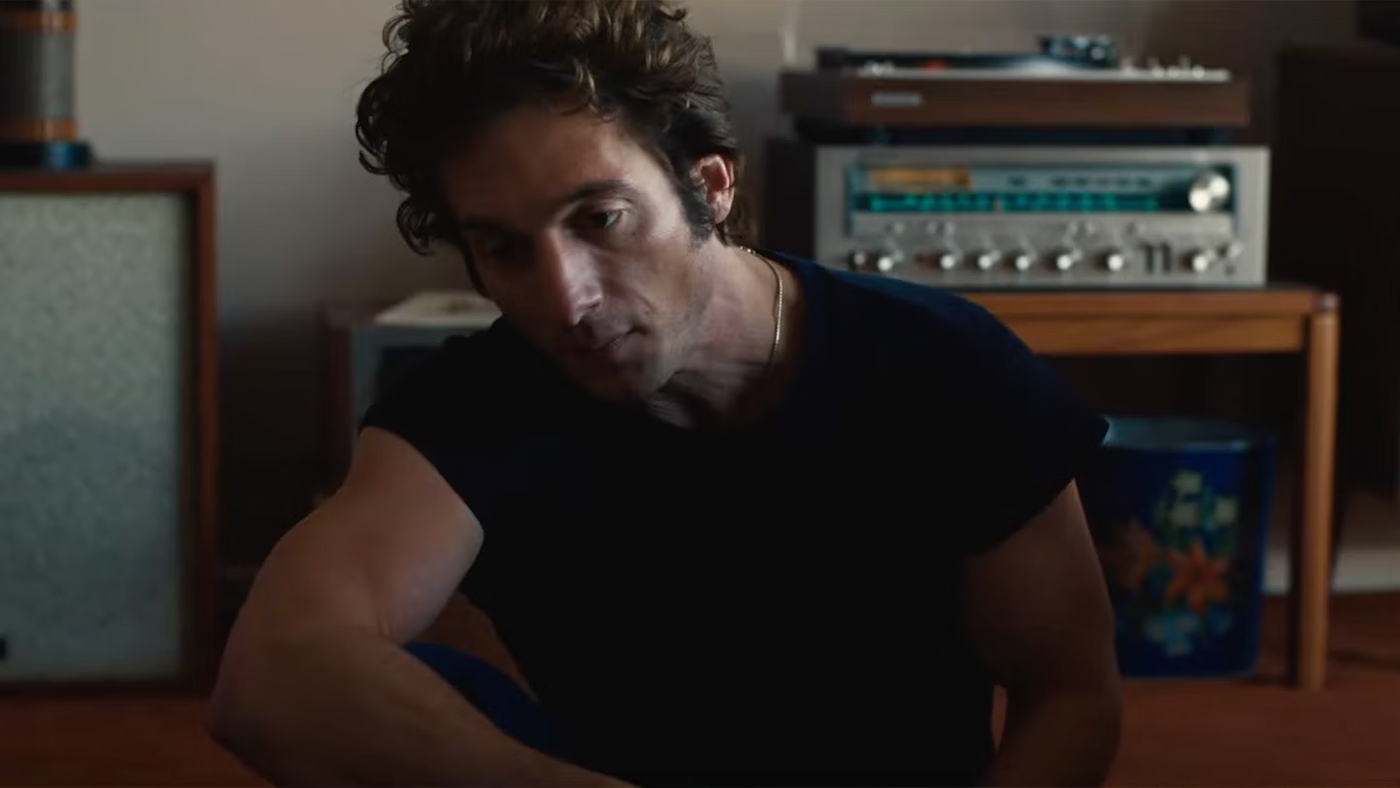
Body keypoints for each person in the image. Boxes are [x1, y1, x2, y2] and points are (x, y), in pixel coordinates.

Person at [208, 0, 1124, 785]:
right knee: (405, 703)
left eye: (600, 218)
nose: (565, 299)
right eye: (505, 248)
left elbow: (1070, 695)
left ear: (708, 185)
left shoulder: (944, 367)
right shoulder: (481, 402)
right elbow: (273, 675)